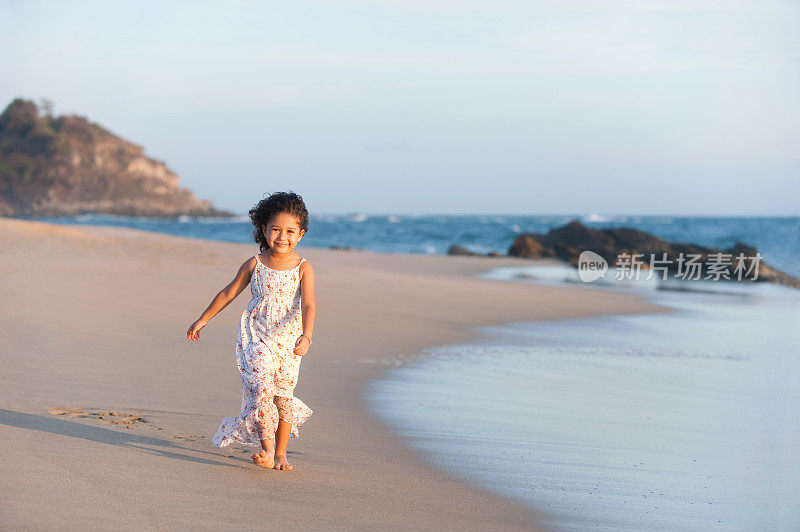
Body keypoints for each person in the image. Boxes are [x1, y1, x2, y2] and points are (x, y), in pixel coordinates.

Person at [187, 191, 315, 471]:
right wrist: (203, 319)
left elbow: (308, 303)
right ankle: (267, 451)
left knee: (283, 397)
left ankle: (281, 454)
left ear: (301, 234)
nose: (283, 236)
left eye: (290, 231)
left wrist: (307, 334)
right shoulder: (254, 264)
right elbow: (228, 293)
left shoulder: (303, 268)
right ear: (263, 230)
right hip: (256, 336)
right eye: (276, 229)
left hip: (289, 341)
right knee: (262, 390)